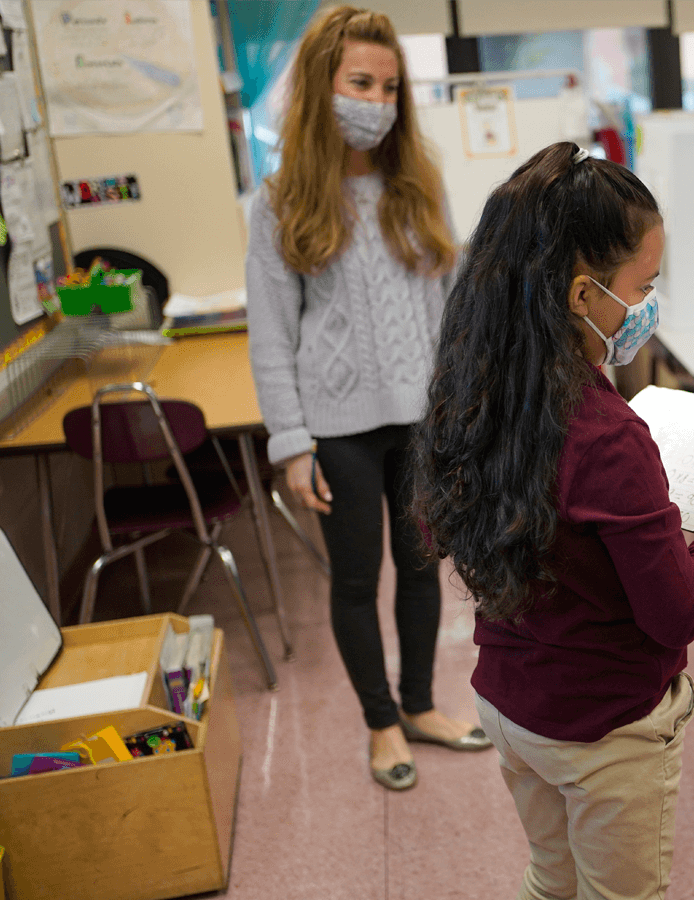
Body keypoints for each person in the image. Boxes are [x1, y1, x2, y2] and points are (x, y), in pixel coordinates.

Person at [412, 141, 694, 899]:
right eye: (643, 287)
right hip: (604, 731)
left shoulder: (479, 384)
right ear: (581, 295)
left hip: (511, 703)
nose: (648, 306)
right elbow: (675, 613)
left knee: (550, 878)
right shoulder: (605, 433)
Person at [245, 6, 490, 793]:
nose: (376, 101)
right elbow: (272, 335)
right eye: (360, 82)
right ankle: (380, 722)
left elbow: (452, 309)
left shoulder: (418, 184)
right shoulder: (280, 200)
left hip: (422, 423)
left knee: (423, 573)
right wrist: (289, 440)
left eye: (388, 86)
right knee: (356, 582)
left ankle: (418, 706)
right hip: (337, 429)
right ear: (322, 85)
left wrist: (461, 409)